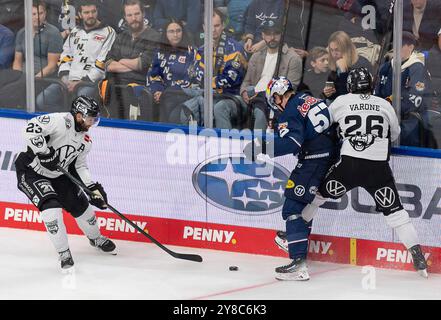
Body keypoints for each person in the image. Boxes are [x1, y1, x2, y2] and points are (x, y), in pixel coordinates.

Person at [316, 67, 428, 278]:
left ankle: (292, 231)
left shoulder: (341, 101)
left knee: (319, 196)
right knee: (396, 213)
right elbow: (395, 133)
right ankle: (418, 256)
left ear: (350, 86)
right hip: (377, 167)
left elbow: (322, 125)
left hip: (349, 164)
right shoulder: (384, 104)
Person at [243, 76, 339, 281]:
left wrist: (261, 147)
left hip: (314, 161)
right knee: (304, 208)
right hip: (332, 157)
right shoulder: (309, 99)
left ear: (278, 97)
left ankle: (298, 263)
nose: (275, 105)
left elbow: (292, 143)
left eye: (274, 100)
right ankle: (298, 244)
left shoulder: (289, 110)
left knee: (292, 208)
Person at [14, 96, 116, 272]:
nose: (92, 123)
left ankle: (96, 238)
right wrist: (45, 153)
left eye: (94, 119)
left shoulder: (85, 142)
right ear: (78, 115)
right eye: (90, 118)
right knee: (51, 208)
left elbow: (79, 166)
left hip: (58, 174)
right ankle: (63, 252)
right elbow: (29, 128)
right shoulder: (58, 121)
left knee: (83, 208)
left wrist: (91, 188)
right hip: (31, 171)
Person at [36, 0, 116, 112]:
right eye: (86, 12)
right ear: (80, 14)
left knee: (81, 101)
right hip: (68, 79)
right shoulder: (75, 31)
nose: (91, 15)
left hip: (91, 82)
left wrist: (81, 82)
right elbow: (65, 55)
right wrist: (65, 77)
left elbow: (102, 63)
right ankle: (65, 120)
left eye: (93, 11)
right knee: (42, 100)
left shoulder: (108, 32)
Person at [188, 8, 247, 129]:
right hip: (208, 95)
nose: (213, 30)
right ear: (204, 27)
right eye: (210, 26)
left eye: (217, 25)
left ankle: (225, 145)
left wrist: (208, 82)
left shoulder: (235, 48)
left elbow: (230, 79)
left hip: (231, 97)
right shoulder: (201, 50)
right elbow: (195, 75)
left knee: (217, 107)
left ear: (223, 26)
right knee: (186, 106)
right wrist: (210, 82)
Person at [102, 0, 161, 120]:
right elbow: (108, 63)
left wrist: (121, 61)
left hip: (140, 86)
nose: (134, 18)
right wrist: (132, 64)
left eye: (137, 14)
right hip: (116, 85)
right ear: (125, 17)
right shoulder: (121, 36)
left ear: (143, 13)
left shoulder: (154, 37)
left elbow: (143, 64)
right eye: (129, 15)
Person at [240, 19, 302, 130]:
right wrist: (244, 92)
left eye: (276, 33)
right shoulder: (256, 56)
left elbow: (290, 89)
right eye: (268, 34)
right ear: (263, 35)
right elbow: (246, 81)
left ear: (282, 34)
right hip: (251, 97)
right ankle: (225, 143)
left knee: (259, 112)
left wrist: (261, 95)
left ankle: (257, 146)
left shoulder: (293, 58)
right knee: (221, 107)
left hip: (271, 102)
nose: (272, 38)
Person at [375, 31, 432, 147]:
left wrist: (389, 105)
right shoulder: (385, 67)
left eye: (400, 45)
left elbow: (414, 100)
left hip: (410, 124)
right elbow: (377, 94)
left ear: (410, 47)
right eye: (394, 45)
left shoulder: (418, 68)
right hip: (385, 121)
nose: (395, 49)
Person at [145, 19, 195, 123]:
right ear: (165, 34)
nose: (175, 34)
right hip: (162, 94)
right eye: (171, 31)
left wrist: (166, 92)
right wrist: (157, 90)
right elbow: (153, 75)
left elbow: (189, 79)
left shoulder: (191, 52)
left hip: (181, 95)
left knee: (169, 102)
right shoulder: (159, 51)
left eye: (178, 31)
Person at [13, 0, 64, 78]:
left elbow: (52, 66)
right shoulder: (22, 33)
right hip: (23, 77)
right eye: (33, 14)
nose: (37, 17)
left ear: (45, 14)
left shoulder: (53, 33)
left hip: (43, 78)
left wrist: (35, 79)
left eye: (40, 13)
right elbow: (17, 61)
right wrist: (17, 77)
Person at [323, 31, 372, 103]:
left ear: (347, 49)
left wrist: (343, 72)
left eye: (337, 50)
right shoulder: (335, 67)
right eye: (331, 50)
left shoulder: (361, 65)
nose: (334, 54)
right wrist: (328, 93)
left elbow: (348, 97)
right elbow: (336, 95)